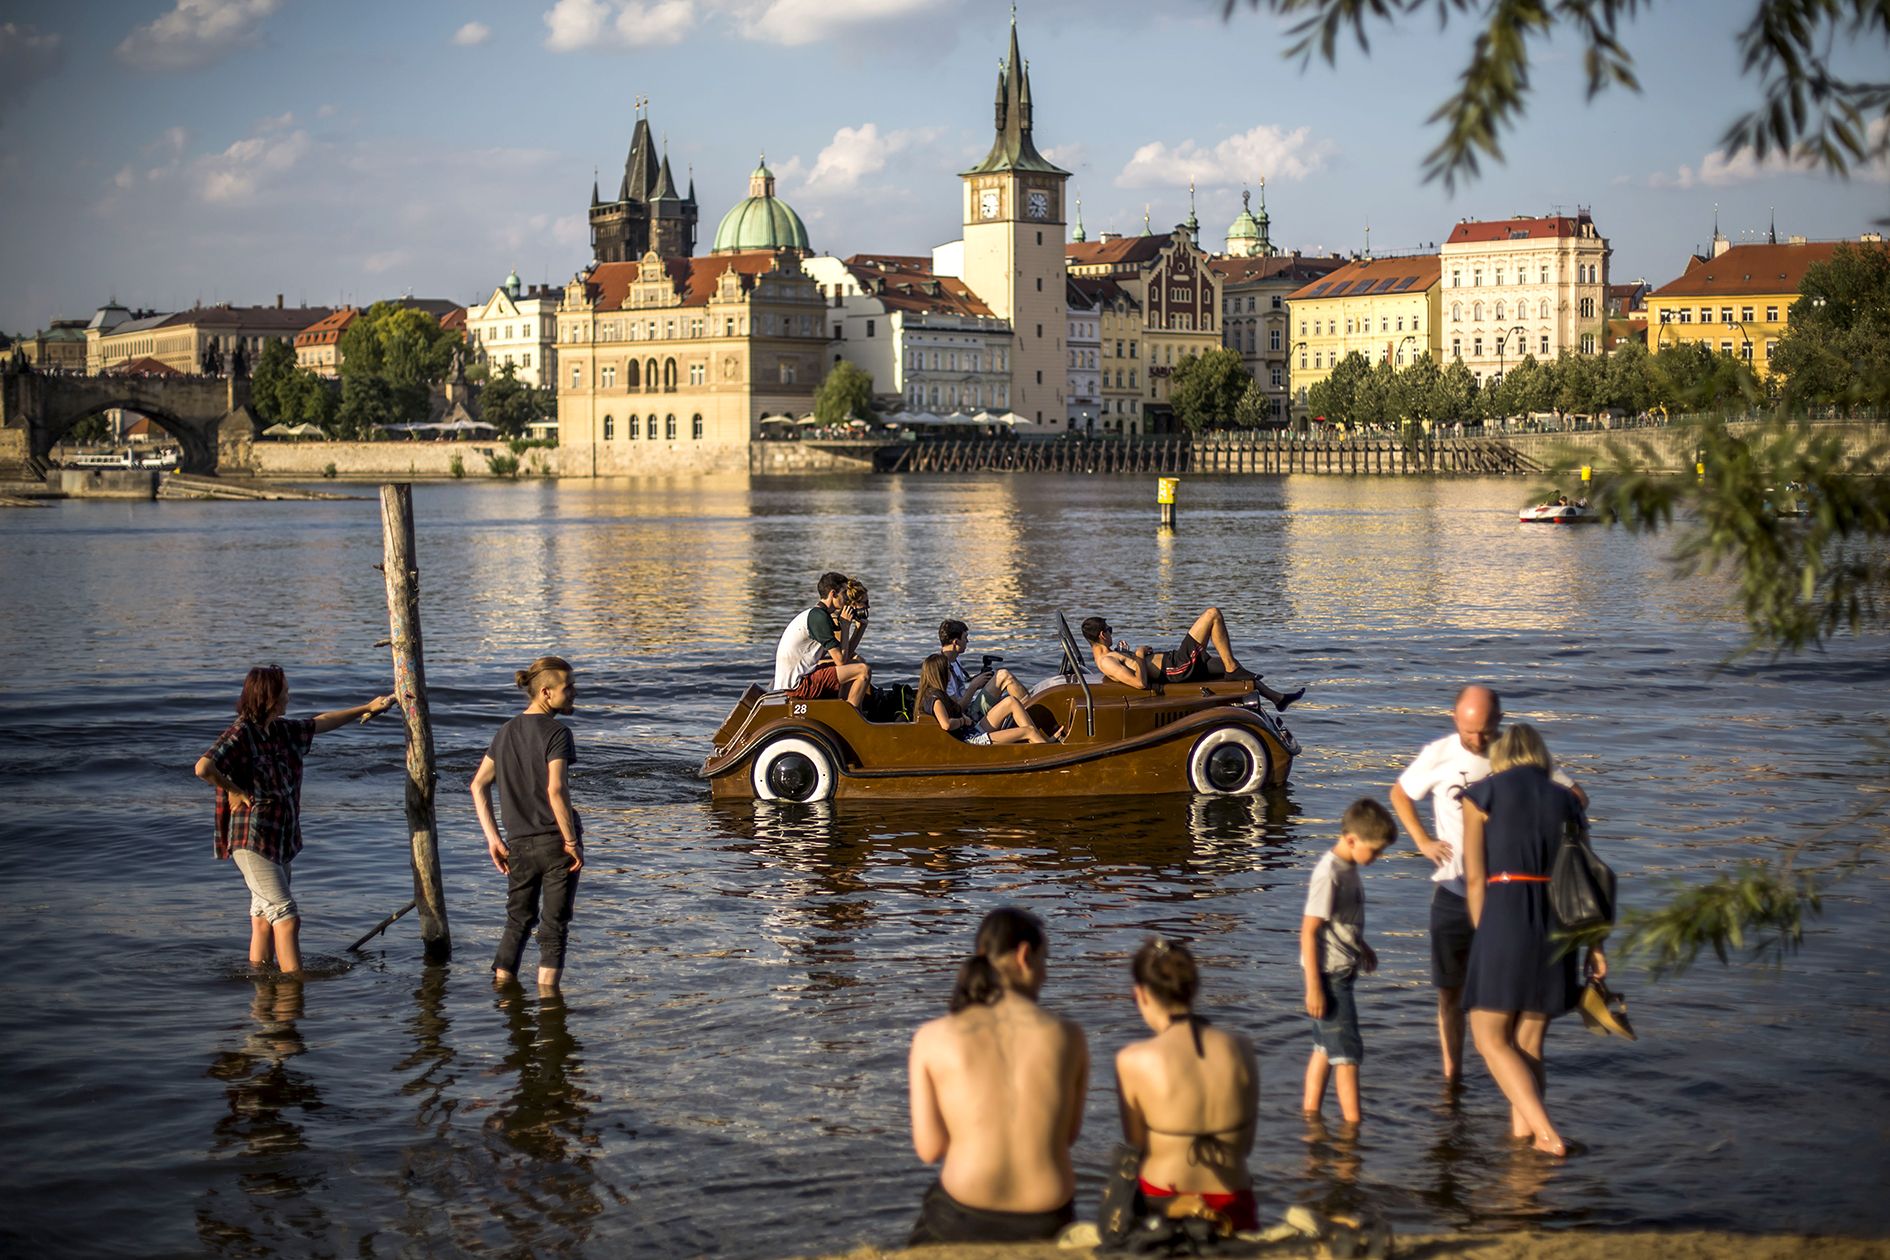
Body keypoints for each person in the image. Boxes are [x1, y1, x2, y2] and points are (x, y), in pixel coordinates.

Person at [1390, 686, 1587, 1084]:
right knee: (1450, 990)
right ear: (1454, 719)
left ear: (1498, 722)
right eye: (1469, 732)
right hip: (1453, 889)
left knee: (1510, 1002)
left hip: (1506, 897)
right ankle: (1453, 1077)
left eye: (1483, 732)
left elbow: (1575, 797)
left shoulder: (1517, 756)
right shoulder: (1440, 753)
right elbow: (1400, 794)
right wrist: (1423, 842)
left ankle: (1512, 1079)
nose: (1477, 740)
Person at [1461, 724, 1606, 1157]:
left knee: (1488, 1036)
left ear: (1501, 756)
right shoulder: (1569, 801)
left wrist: (1481, 933)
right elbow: (1588, 878)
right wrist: (1596, 946)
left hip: (1506, 909)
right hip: (1559, 920)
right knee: (1527, 1042)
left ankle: (1546, 1135)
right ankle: (1523, 1138)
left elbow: (1473, 878)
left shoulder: (1481, 795)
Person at [194, 665, 396, 974]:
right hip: (250, 839)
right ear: (268, 697)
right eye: (284, 692)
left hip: (277, 838)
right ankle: (293, 986)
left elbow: (320, 722)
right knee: (287, 916)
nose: (289, 696)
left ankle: (261, 986)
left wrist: (368, 707)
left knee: (263, 917)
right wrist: (233, 790)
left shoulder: (279, 730)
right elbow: (203, 767)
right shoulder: (241, 732)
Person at [907, 907, 1088, 1244]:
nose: (1044, 974)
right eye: (1044, 960)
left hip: (963, 1213)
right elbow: (1067, 1136)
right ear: (1024, 956)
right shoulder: (1068, 1035)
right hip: (1046, 1215)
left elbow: (930, 1150)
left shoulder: (932, 1037)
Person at [1114, 937, 1259, 1232]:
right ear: (1193, 988)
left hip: (1163, 1204)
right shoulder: (1242, 1048)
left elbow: (1136, 1147)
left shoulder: (1133, 1060)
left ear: (1140, 994)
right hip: (1233, 1205)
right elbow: (1246, 1146)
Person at [472, 656, 585, 991]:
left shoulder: (505, 732)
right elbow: (556, 789)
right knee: (553, 929)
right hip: (555, 843)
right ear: (547, 693)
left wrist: (493, 838)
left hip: (518, 844)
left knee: (517, 922)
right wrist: (571, 841)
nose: (575, 693)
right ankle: (549, 1005)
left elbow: (477, 784)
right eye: (569, 687)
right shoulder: (557, 733)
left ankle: (505, 996)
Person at [1300, 798, 1395, 1124]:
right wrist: (1314, 987)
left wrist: (1362, 946)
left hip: (1339, 969)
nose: (1377, 858)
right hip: (1329, 977)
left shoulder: (1348, 867)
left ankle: (1310, 1116)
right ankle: (1352, 1129)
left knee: (1324, 1050)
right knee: (1347, 1056)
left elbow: (1338, 922)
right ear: (1352, 840)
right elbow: (1309, 931)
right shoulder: (1330, 873)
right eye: (1375, 851)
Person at [1079, 611, 1302, 711]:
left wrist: (1127, 654)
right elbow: (1140, 684)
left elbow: (1132, 670)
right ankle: (1233, 669)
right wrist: (1137, 655)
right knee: (1213, 615)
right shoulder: (1106, 661)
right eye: (1109, 629)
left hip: (1175, 661)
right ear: (1101, 635)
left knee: (1228, 665)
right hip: (1176, 667)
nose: (1111, 632)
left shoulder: (1110, 655)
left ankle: (1277, 698)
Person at [772, 571, 872, 709]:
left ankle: (843, 707)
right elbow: (840, 661)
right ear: (833, 594)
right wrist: (845, 626)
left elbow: (845, 655)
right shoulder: (819, 617)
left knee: (857, 662)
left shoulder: (820, 614)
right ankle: (849, 718)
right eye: (843, 593)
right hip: (797, 686)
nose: (846, 598)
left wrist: (860, 629)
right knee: (863, 670)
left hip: (798, 678)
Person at [916, 653, 1051, 746]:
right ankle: (1048, 752)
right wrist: (963, 720)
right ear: (940, 673)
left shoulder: (935, 693)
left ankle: (1041, 741)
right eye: (947, 669)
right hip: (970, 740)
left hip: (970, 730)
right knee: (1029, 731)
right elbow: (946, 724)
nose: (950, 673)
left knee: (1011, 701)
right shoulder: (935, 698)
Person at [938, 618, 1035, 729]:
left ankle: (1030, 709)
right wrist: (974, 686)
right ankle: (1034, 713)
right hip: (967, 716)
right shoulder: (942, 669)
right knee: (1004, 676)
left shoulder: (954, 661)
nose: (967, 642)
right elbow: (957, 709)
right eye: (965, 638)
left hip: (970, 705)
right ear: (956, 642)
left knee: (1006, 689)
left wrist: (979, 679)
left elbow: (962, 687)